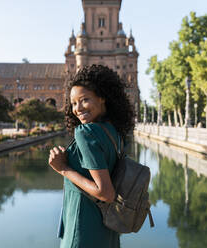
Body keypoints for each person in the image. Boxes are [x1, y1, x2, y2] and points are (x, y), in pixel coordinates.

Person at [48, 65, 135, 248]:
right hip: (108, 232)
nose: (77, 108)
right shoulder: (115, 133)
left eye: (84, 100)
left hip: (82, 233)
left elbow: (105, 192)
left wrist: (63, 168)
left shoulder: (86, 132)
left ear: (102, 98)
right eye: (73, 103)